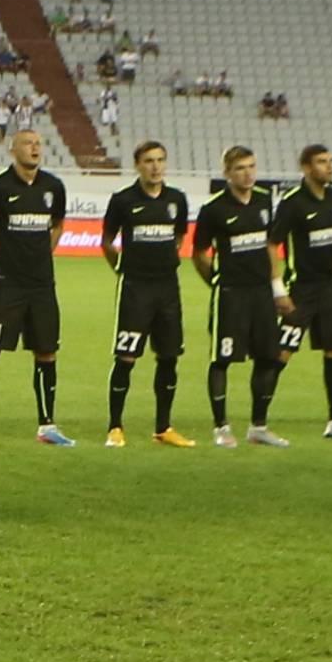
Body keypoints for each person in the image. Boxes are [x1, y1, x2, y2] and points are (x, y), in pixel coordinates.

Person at [0, 130, 71, 446]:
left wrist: (42, 254)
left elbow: (58, 224)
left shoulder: (54, 187)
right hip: (7, 284)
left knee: (47, 351)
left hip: (41, 284)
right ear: (13, 149)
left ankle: (47, 426)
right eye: (28, 143)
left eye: (38, 143)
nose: (35, 148)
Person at [98, 139, 194, 448]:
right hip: (135, 289)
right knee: (126, 357)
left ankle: (163, 428)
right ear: (138, 165)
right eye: (149, 161)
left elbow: (179, 236)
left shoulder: (177, 199)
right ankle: (115, 427)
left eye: (160, 160)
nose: (155, 166)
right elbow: (107, 241)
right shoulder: (124, 200)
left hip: (168, 289)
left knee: (168, 358)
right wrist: (124, 269)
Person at [192, 145, 289, 447]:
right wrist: (218, 282)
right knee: (222, 359)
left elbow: (270, 247)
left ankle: (258, 427)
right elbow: (198, 253)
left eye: (251, 167)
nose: (247, 174)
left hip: (261, 294)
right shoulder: (213, 209)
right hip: (231, 295)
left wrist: (277, 289)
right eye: (240, 169)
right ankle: (221, 427)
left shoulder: (263, 200)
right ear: (227, 174)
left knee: (268, 358)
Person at [269, 143, 332, 439]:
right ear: (307, 168)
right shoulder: (293, 202)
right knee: (282, 352)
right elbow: (272, 244)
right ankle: (259, 420)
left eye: (331, 161)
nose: (330, 166)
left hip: (329, 288)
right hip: (301, 290)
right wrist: (277, 288)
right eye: (322, 162)